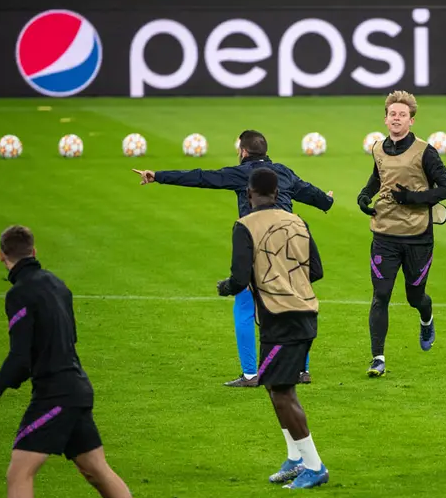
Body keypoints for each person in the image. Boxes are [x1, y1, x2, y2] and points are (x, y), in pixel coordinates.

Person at [0, 226, 157, 498]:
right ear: (34, 252)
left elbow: (20, 358)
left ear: (1, 256)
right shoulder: (58, 284)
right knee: (96, 470)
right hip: (77, 386)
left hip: (55, 395)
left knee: (19, 473)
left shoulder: (19, 294)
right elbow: (65, 341)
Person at [133, 130, 333, 387]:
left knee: (245, 305)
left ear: (244, 151)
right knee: (292, 302)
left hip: (260, 241)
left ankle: (250, 374)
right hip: (292, 243)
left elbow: (203, 177)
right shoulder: (282, 171)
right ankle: (301, 370)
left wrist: (158, 176)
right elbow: (311, 194)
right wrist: (327, 201)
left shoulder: (242, 173)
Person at [216, 167, 328, 489]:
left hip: (281, 319)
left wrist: (225, 287)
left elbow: (239, 279)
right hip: (305, 313)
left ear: (248, 194)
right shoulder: (298, 221)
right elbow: (316, 270)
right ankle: (295, 458)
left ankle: (314, 465)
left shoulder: (244, 225)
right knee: (273, 385)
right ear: (278, 194)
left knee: (281, 393)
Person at [356, 90, 446, 377]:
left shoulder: (425, 152)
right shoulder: (377, 148)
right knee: (381, 295)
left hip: (418, 237)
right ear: (385, 119)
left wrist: (412, 198)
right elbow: (377, 178)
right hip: (384, 233)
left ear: (411, 120)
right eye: (392, 114)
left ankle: (427, 317)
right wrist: (364, 196)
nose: (396, 118)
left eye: (402, 114)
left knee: (415, 297)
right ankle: (378, 358)